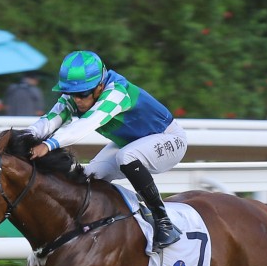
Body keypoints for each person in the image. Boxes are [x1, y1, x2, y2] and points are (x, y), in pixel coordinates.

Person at [26, 50, 187, 248]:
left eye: (82, 94)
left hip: (170, 140)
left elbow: (86, 124)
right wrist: (22, 137)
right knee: (88, 177)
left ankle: (164, 222)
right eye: (71, 94)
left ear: (100, 86)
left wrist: (48, 145)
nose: (77, 100)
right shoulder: (77, 96)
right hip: (132, 143)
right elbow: (49, 121)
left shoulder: (117, 92)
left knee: (126, 156)